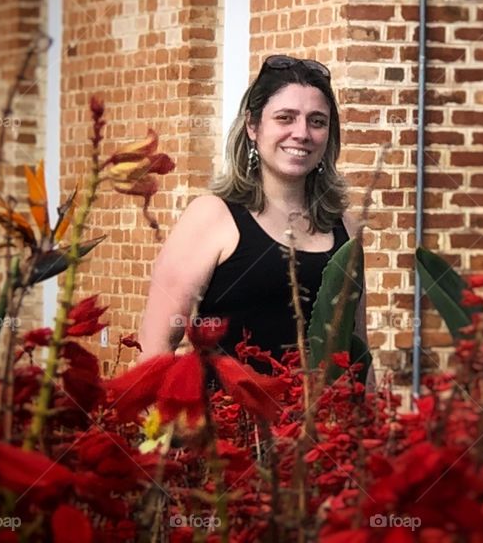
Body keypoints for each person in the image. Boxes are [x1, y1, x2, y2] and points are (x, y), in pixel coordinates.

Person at [138, 54, 367, 370]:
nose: (302, 133)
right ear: (253, 126)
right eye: (285, 118)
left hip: (324, 418)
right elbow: (155, 347)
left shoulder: (345, 227)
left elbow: (357, 349)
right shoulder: (212, 216)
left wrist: (369, 415)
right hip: (230, 415)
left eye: (317, 121)